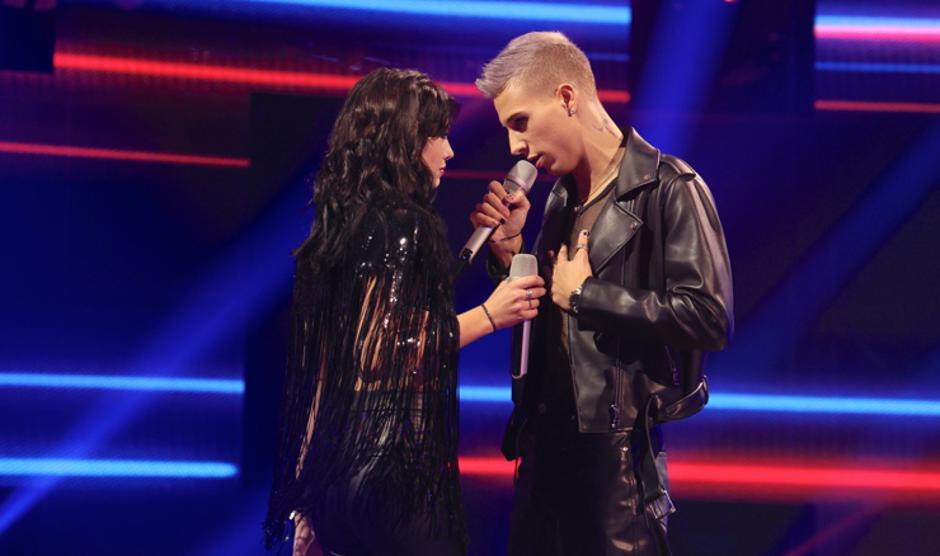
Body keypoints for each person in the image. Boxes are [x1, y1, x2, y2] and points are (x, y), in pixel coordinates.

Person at [469, 32, 734, 555]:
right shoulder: (559, 200)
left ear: (567, 97)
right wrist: (510, 256)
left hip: (617, 465)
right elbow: (551, 325)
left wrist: (588, 295)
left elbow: (709, 316)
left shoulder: (669, 187)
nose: (514, 147)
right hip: (542, 454)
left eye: (520, 122)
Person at [263, 68, 546, 556]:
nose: (449, 151)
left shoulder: (340, 228)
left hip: (335, 475)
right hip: (392, 466)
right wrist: (490, 314)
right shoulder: (403, 224)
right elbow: (382, 351)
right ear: (406, 139)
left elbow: (324, 373)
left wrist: (306, 503)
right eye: (437, 135)